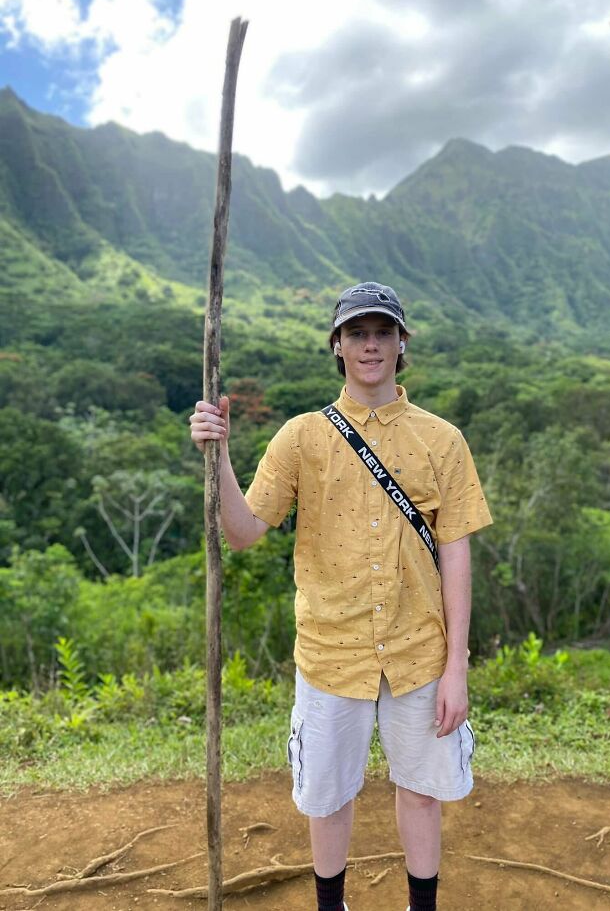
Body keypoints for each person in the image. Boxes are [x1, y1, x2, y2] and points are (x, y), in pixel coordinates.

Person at [190, 282, 493, 911]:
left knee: (420, 790)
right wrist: (217, 456)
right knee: (327, 795)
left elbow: (457, 551)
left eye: (383, 332)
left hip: (419, 654)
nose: (372, 345)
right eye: (358, 333)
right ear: (338, 345)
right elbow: (244, 532)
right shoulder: (302, 438)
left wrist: (457, 666)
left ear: (402, 342)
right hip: (330, 654)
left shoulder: (443, 440)